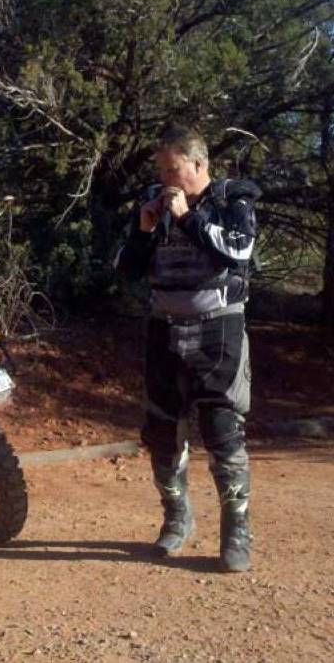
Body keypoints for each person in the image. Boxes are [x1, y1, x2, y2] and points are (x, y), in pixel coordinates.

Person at [116, 125, 260, 572]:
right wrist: (143, 232)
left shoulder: (232, 200)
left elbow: (239, 250)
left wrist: (187, 218)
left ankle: (237, 531)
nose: (166, 180)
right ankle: (177, 517)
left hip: (218, 328)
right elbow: (126, 271)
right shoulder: (155, 203)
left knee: (221, 428)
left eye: (173, 170)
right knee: (161, 430)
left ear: (199, 165)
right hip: (164, 328)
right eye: (161, 171)